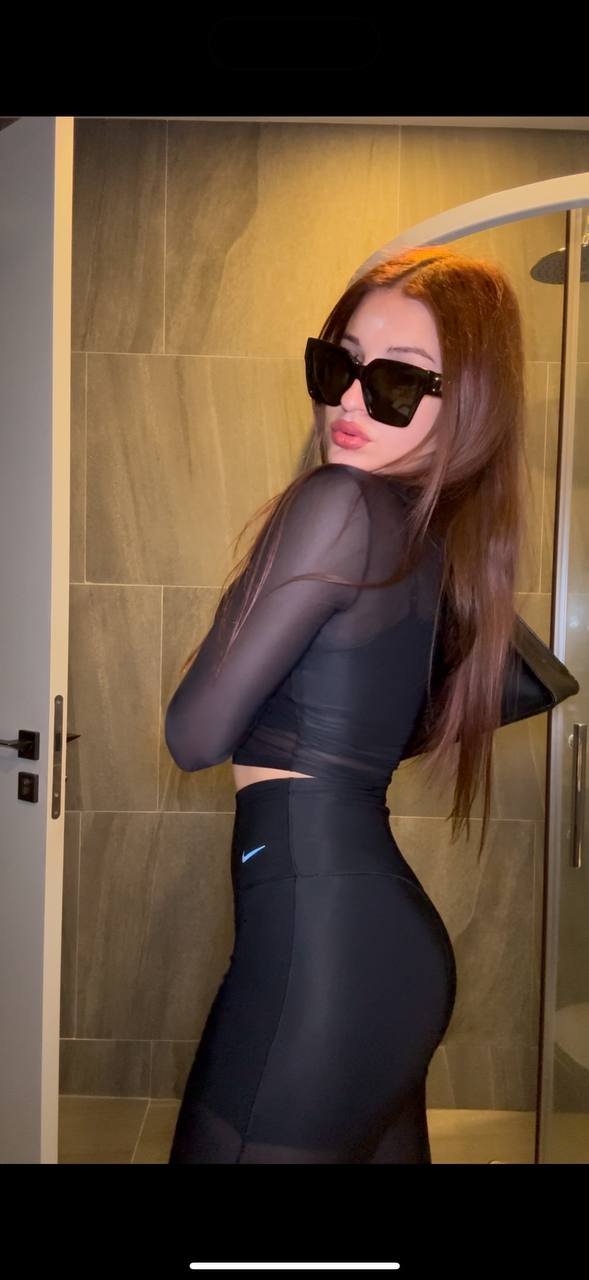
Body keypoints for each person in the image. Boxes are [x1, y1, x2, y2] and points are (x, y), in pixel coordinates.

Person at [164, 245, 530, 1163]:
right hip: (370, 946)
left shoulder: (337, 503)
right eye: (338, 364)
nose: (351, 401)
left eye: (398, 381)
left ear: (469, 401)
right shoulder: (427, 539)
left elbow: (193, 733)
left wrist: (251, 591)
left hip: (322, 948)